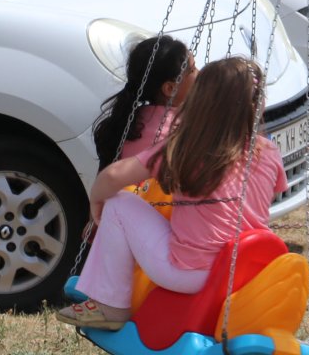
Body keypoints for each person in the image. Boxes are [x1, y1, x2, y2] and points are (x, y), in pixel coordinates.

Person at [55, 57, 287, 330]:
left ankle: (110, 307)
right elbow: (268, 195)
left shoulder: (184, 146)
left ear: (201, 102)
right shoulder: (268, 151)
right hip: (246, 272)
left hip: (189, 274)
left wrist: (97, 198)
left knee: (118, 202)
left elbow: (114, 177)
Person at [91, 35, 198, 172]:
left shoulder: (134, 119)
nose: (199, 73)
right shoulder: (173, 134)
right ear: (170, 89)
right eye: (193, 69)